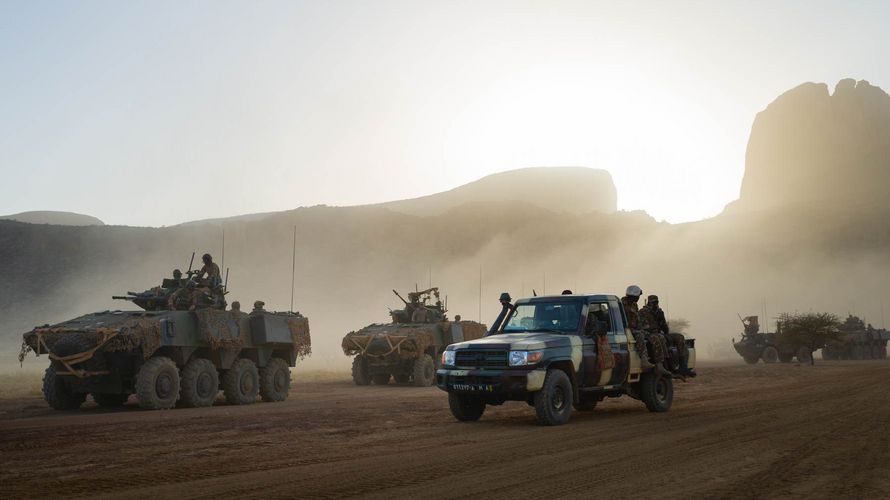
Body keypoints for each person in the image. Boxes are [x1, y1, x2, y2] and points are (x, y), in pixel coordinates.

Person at [642, 295, 695, 377]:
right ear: (649, 303)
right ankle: (664, 365)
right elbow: (642, 327)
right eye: (653, 303)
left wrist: (661, 320)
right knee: (659, 338)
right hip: (650, 335)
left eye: (656, 302)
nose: (655, 304)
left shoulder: (659, 312)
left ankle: (683, 367)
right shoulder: (642, 312)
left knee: (680, 337)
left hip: (660, 334)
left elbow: (665, 328)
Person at [621, 285, 654, 369]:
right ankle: (644, 360)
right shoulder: (621, 305)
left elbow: (637, 320)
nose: (639, 297)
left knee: (653, 335)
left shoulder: (634, 305)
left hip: (635, 328)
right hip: (626, 329)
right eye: (638, 296)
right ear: (634, 296)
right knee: (640, 335)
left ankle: (657, 361)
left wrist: (645, 328)